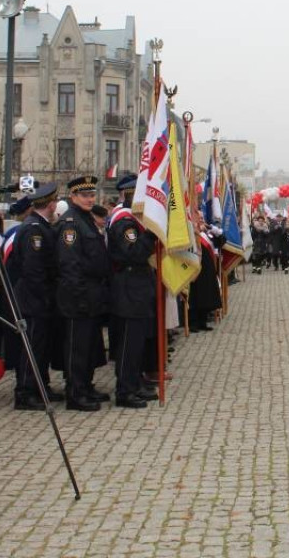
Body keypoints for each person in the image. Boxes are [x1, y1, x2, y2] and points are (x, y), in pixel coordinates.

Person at [55, 176, 110, 411]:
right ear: (73, 197)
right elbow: (70, 265)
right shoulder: (71, 224)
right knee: (77, 347)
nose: (90, 199)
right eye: (84, 195)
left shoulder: (85, 219)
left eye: (91, 195)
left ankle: (86, 386)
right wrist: (79, 297)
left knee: (88, 346)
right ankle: (75, 393)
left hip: (92, 292)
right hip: (78, 295)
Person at [8, 183, 64, 410]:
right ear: (51, 205)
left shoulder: (38, 225)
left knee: (41, 346)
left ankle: (40, 385)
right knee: (32, 346)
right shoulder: (34, 230)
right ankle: (26, 391)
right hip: (33, 299)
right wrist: (45, 295)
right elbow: (34, 269)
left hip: (39, 298)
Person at [106, 175, 160, 408]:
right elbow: (135, 253)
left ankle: (135, 382)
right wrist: (151, 233)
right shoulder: (124, 223)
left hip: (137, 289)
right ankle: (125, 390)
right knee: (129, 344)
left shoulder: (132, 221)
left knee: (137, 343)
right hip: (129, 290)